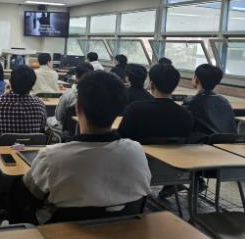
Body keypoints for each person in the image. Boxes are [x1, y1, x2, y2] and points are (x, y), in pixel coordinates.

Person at [18, 71, 151, 224]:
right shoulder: (137, 152)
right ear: (121, 110)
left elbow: (26, 199)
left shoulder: (51, 157)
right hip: (122, 229)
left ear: (78, 106)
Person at [118, 64, 194, 142]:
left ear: (152, 85)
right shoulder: (186, 115)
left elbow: (122, 135)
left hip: (139, 153)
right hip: (175, 154)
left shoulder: (135, 109)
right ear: (175, 85)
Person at [0, 65, 47, 145]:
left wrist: (4, 94)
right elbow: (42, 126)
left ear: (10, 81)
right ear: (32, 85)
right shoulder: (40, 104)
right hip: (29, 152)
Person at [184, 64, 236, 142]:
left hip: (204, 144)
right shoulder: (224, 101)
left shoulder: (191, 102)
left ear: (196, 79)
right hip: (228, 142)